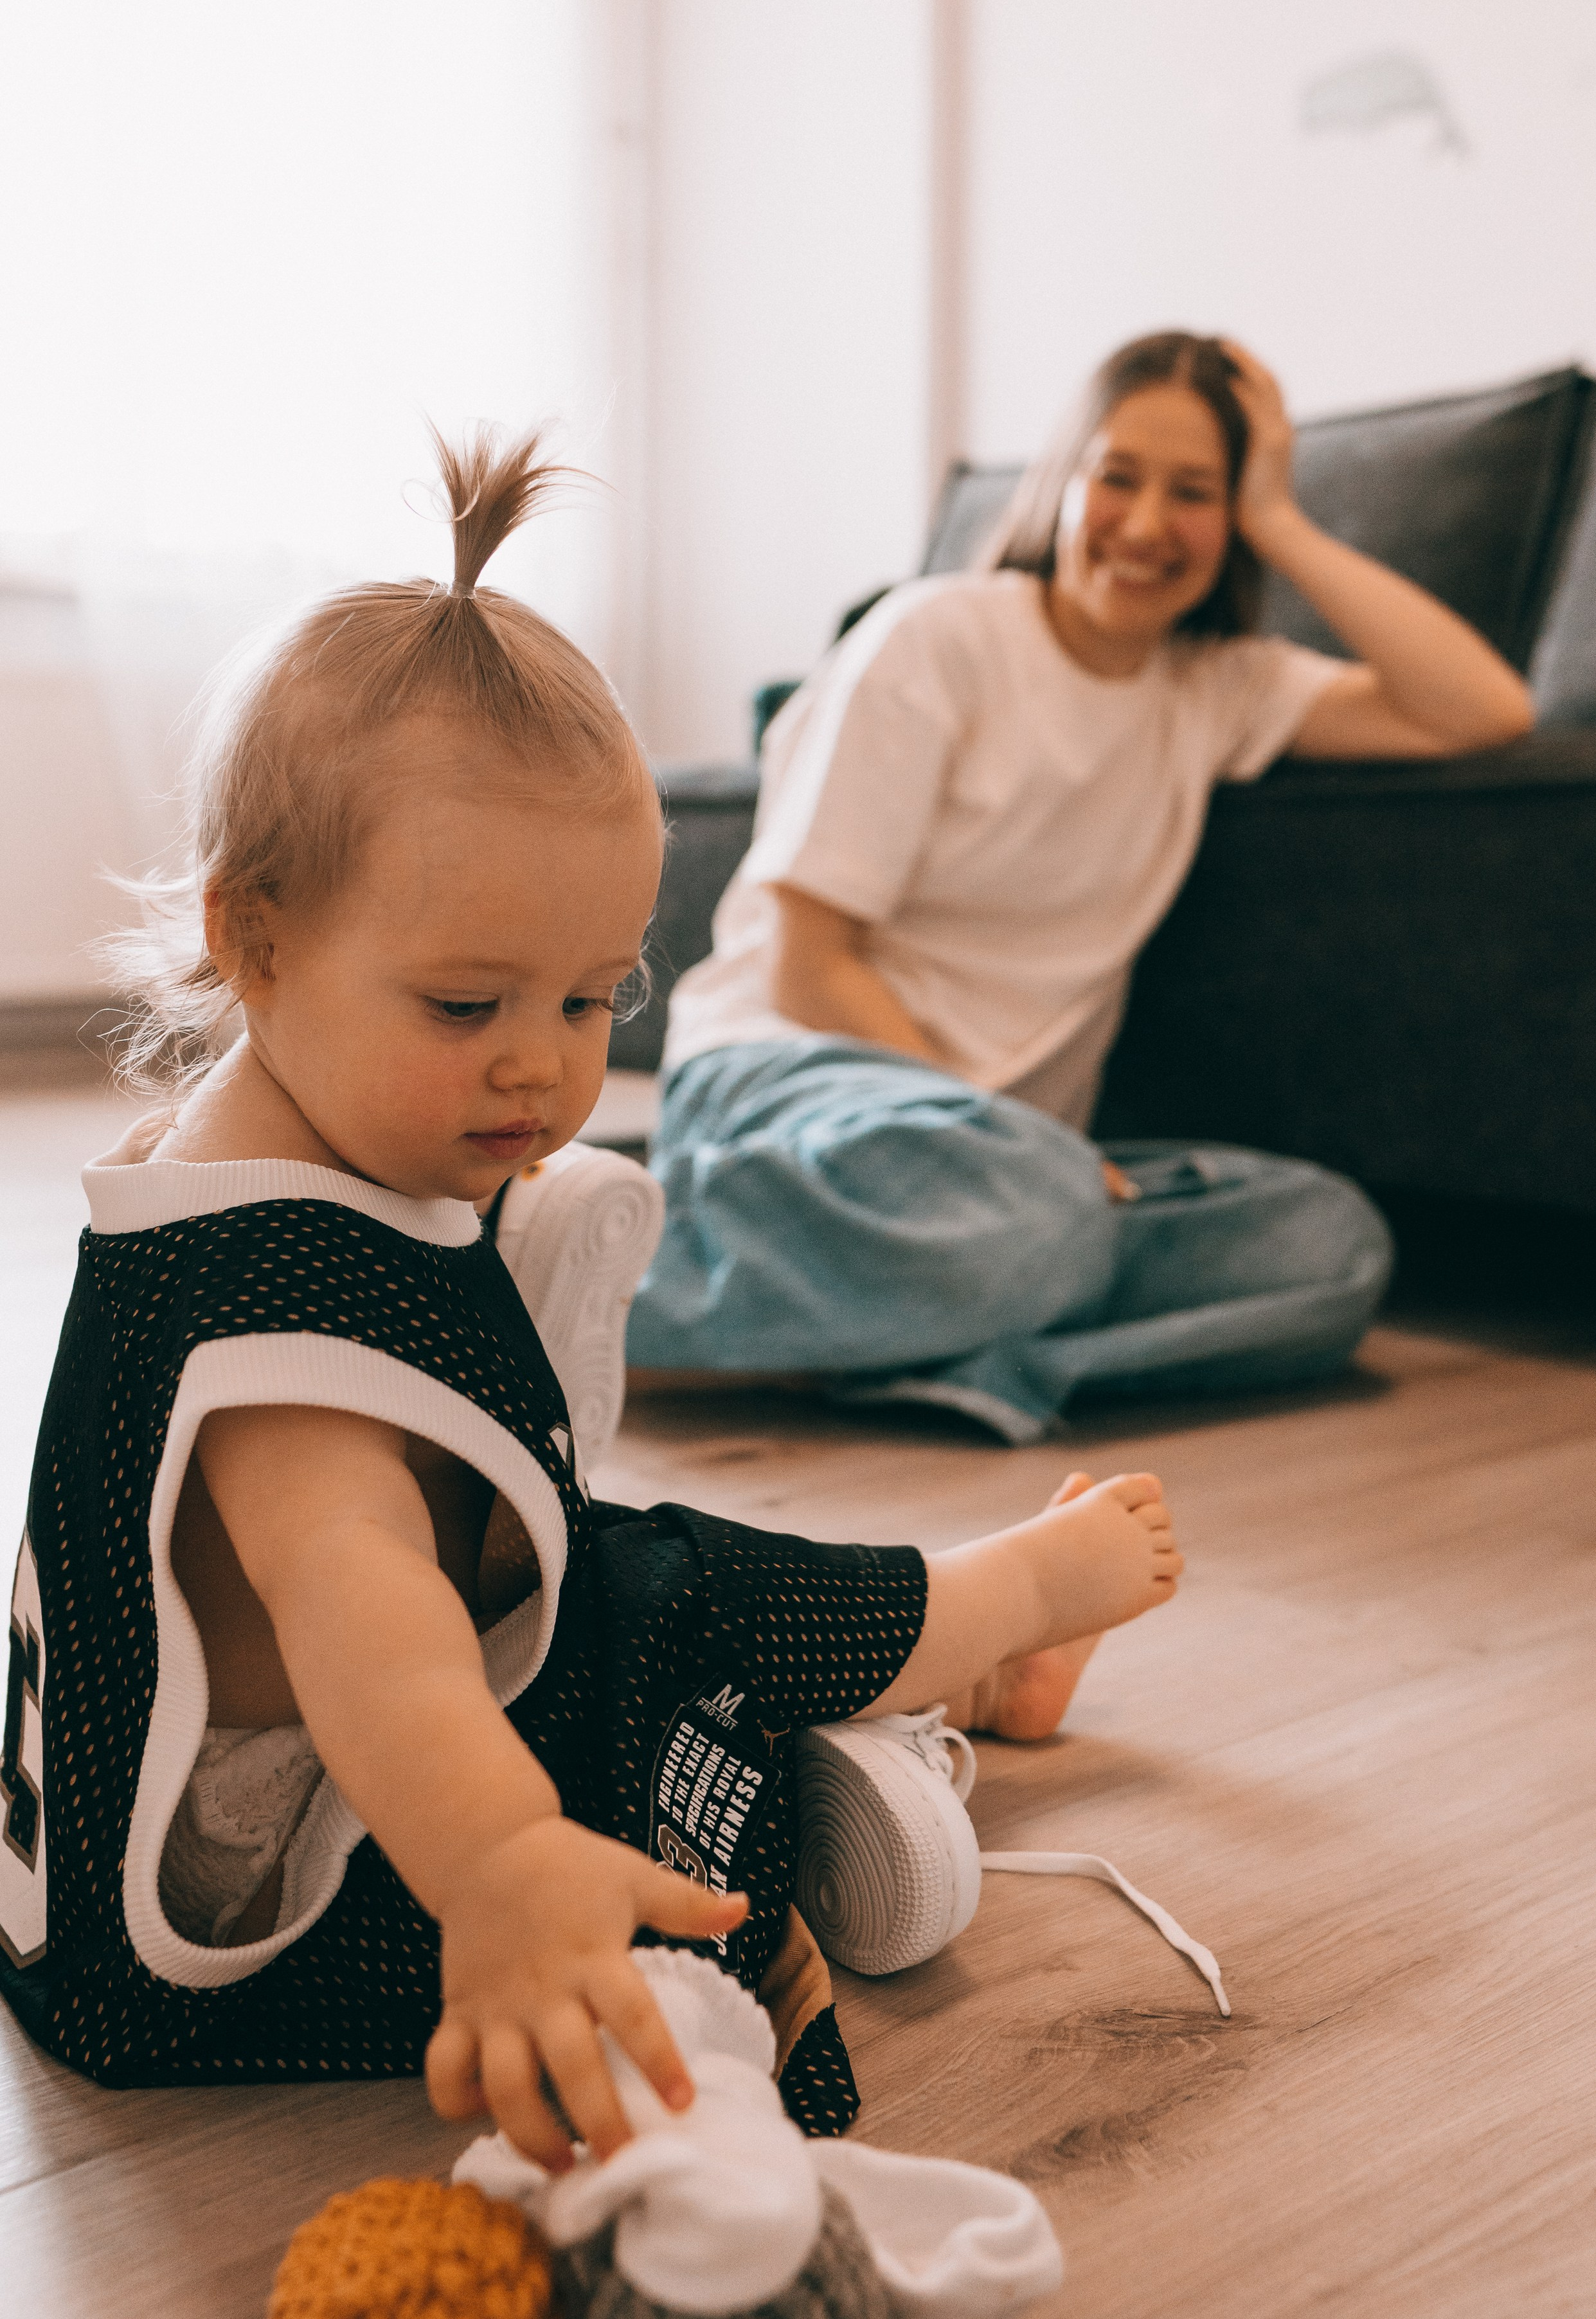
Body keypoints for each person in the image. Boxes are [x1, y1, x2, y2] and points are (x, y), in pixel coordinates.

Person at [0, 429, 1190, 2167]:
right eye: (471, 1005)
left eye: (592, 997)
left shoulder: (241, 1158)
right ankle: (947, 1647)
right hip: (283, 1893)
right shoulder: (287, 1359)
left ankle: (886, 1698)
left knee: (572, 1543)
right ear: (254, 945)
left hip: (155, 1823)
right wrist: (494, 1870)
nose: (545, 1069)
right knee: (665, 1590)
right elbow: (371, 1633)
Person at [628, 335, 1535, 1443]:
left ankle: (930, 1346)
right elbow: (808, 960)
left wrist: (1285, 522)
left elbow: (1485, 711)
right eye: (1119, 477)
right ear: (1064, 481)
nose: (1148, 524)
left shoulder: (1219, 690)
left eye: (1195, 493)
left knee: (1332, 1247)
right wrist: (1012, 1145)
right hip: (801, 1084)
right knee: (1034, 1220)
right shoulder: (935, 634)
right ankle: (583, 1290)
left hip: (1020, 1178)